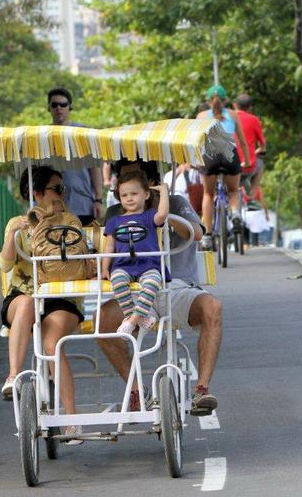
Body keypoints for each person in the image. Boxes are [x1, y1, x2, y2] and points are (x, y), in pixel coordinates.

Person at [97, 159, 222, 416]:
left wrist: (160, 212)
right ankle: (136, 390)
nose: (130, 194)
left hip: (175, 286)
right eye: (125, 185)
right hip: (132, 290)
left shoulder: (175, 203)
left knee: (213, 308)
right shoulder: (116, 214)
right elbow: (106, 249)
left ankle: (201, 390)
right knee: (101, 322)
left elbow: (197, 233)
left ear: (150, 184)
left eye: (137, 181)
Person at [0, 165, 85, 444]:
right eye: (56, 189)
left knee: (52, 344)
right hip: (25, 294)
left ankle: (71, 421)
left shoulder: (69, 222)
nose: (61, 194)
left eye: (63, 189)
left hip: (59, 297)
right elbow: (5, 265)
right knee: (24, 304)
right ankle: (14, 375)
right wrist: (14, 234)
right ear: (36, 194)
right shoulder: (18, 224)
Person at [103, 172, 169, 335]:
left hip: (148, 264)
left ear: (146, 194)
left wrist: (164, 191)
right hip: (123, 265)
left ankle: (131, 320)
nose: (129, 198)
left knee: (153, 282)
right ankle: (139, 318)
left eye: (134, 194)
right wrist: (104, 268)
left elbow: (163, 214)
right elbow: (109, 247)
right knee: (117, 281)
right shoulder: (114, 221)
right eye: (124, 195)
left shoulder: (149, 216)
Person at [196, 85, 249, 250]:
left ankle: (208, 236)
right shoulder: (232, 115)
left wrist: (194, 161)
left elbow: (195, 141)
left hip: (210, 156)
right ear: (226, 100)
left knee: (208, 193)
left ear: (208, 100)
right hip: (229, 154)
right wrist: (246, 161)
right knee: (233, 191)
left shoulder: (201, 116)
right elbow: (242, 141)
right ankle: (235, 213)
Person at [47, 87, 104, 225]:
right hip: (53, 208)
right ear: (49, 108)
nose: (59, 108)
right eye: (54, 105)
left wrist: (98, 200)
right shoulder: (43, 136)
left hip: (83, 204)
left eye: (63, 104)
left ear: (70, 107)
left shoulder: (84, 133)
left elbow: (95, 167)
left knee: (85, 245)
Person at [233, 94, 266, 195]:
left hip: (226, 166)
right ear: (250, 107)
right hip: (246, 167)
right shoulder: (254, 120)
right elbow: (263, 145)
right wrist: (258, 150)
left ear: (234, 105)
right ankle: (251, 195)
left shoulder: (226, 118)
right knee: (260, 163)